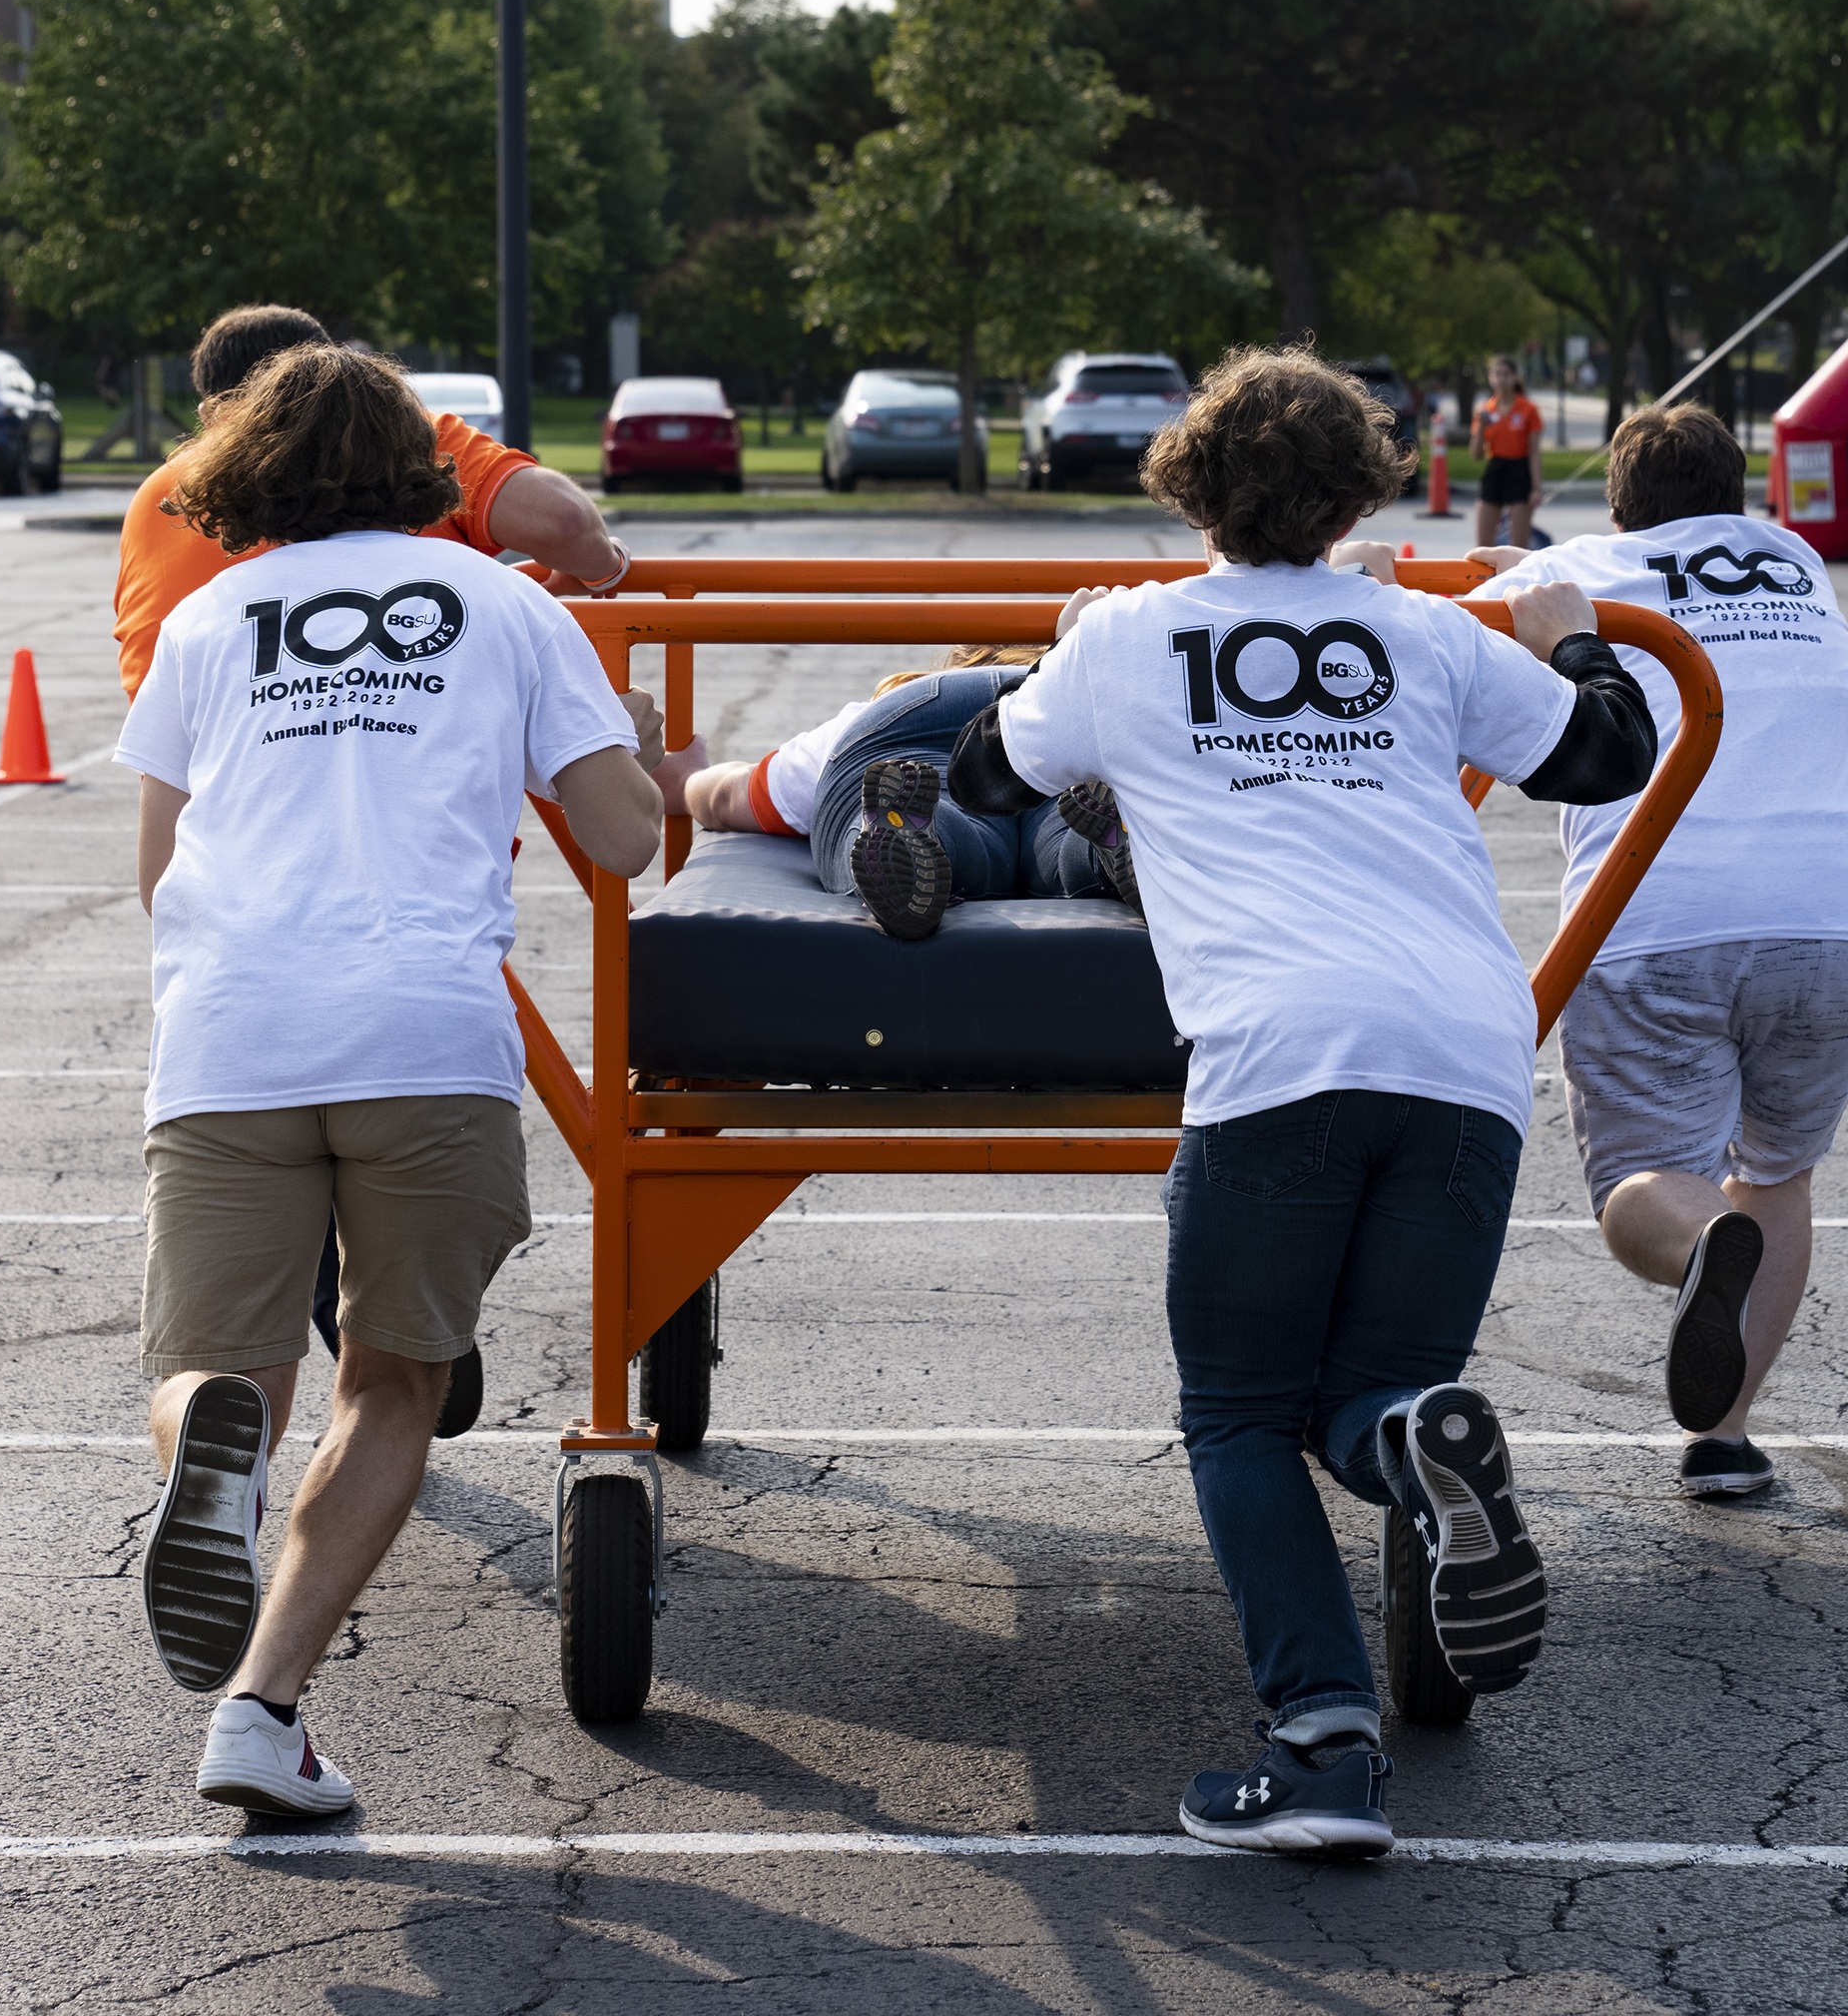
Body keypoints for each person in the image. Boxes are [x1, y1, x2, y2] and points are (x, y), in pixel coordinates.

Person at [945, 346, 1657, 1860]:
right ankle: (1413, 1441)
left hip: (1278, 1053)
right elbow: (1612, 754)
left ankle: (1326, 1740)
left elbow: (985, 780)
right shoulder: (1420, 628)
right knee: (1365, 1393)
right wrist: (1575, 635)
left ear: (1190, 488)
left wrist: (1060, 655)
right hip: (1467, 1050)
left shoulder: (1132, 634)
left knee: (1240, 1414)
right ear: (1356, 496)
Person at [120, 342, 665, 1819]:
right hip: (422, 1033)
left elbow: (157, 872)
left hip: (231, 1029)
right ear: (424, 465)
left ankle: (214, 1462)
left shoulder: (208, 617)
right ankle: (260, 1708)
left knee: (220, 1369)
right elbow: (625, 838)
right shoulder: (506, 603)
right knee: (393, 1379)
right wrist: (636, 746)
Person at [1467, 400, 1848, 1503]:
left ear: (1618, 506)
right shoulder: (1796, 562)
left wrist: (1521, 577)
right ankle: (1724, 1438)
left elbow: (1522, 620)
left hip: (1658, 915)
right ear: (1737, 493)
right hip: (1837, 918)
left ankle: (1702, 1239)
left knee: (1641, 1182)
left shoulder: (1578, 568)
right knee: (1779, 1175)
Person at [113, 305, 631, 702]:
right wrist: (604, 570)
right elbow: (564, 521)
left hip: (205, 777)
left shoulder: (162, 491)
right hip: (399, 757)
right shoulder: (406, 441)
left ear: (210, 413)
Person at [678, 644, 1123, 938]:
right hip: (1052, 716)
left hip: (916, 719)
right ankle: (1106, 844)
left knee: (951, 818)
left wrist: (686, 781)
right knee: (1061, 826)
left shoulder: (887, 699)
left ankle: (909, 826)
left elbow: (729, 798)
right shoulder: (1067, 683)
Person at [1471, 355, 1541, 551]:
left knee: (1519, 545)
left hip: (1519, 469)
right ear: (1491, 378)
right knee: (1483, 545)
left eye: (1506, 374)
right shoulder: (1485, 410)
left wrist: (1536, 488)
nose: (1502, 379)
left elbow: (1534, 451)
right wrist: (1481, 428)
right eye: (1497, 374)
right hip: (1495, 467)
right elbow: (1476, 454)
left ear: (1515, 377)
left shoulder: (1528, 409)